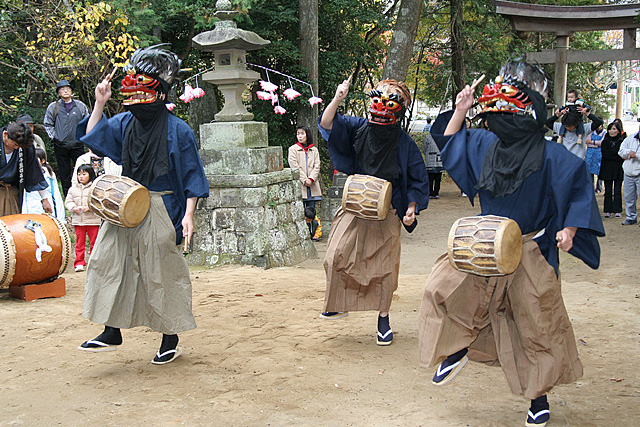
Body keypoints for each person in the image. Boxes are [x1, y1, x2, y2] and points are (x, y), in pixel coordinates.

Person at [418, 60, 604, 427]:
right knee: (441, 288)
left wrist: (568, 230)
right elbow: (451, 142)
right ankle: (457, 349)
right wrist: (460, 109)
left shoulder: (554, 155)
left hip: (530, 249)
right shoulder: (486, 142)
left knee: (534, 324)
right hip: (483, 243)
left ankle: (538, 398)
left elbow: (577, 188)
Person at [75, 45, 209, 365]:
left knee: (161, 272)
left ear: (160, 92)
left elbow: (192, 175)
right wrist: (100, 101)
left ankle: (169, 336)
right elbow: (93, 135)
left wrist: (188, 216)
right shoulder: (125, 122)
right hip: (126, 202)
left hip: (162, 206)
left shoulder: (179, 130)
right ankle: (111, 329)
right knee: (108, 260)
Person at [317, 77, 429, 345]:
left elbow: (417, 179)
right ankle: (339, 302)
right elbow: (327, 124)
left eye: (389, 103)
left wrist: (411, 208)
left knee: (383, 269)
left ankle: (383, 320)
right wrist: (338, 98)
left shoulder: (405, 144)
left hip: (387, 210)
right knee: (335, 255)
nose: (382, 106)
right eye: (377, 100)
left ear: (400, 110)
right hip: (355, 205)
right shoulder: (359, 128)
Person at [43, 79, 90, 196]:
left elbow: (88, 122)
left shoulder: (80, 106)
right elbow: (48, 123)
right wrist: (55, 137)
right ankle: (68, 196)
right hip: (60, 145)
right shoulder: (53, 107)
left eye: (67, 88)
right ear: (58, 92)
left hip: (77, 145)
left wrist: (84, 138)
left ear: (71, 91)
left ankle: (83, 194)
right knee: (64, 172)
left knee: (82, 171)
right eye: (62, 89)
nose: (65, 91)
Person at [0, 122, 52, 216]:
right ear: (5, 134)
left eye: (19, 146)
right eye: (15, 144)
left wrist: (44, 199)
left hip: (12, 192)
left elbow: (34, 171)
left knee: (12, 225)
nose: (16, 148)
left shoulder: (25, 147)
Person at [65, 164, 101, 272]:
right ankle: (79, 262)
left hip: (93, 220)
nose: (81, 177)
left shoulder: (95, 187)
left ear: (90, 175)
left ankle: (94, 262)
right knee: (79, 243)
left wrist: (89, 208)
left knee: (94, 242)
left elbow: (98, 202)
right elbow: (68, 201)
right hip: (78, 220)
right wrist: (73, 207)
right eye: (79, 174)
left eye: (84, 174)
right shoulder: (73, 189)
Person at [545, 94, 602, 160]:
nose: (569, 128)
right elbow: (547, 122)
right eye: (567, 126)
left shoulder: (584, 128)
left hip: (577, 161)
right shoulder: (560, 127)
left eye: (571, 127)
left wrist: (587, 113)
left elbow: (598, 122)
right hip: (563, 161)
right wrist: (557, 115)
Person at [22, 148, 65, 222]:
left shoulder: (49, 175)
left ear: (43, 160)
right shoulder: (25, 175)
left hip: (47, 210)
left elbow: (56, 196)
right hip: (30, 211)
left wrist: (60, 218)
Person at [288, 126, 321, 209]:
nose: (300, 136)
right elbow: (294, 165)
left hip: (312, 184)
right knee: (300, 211)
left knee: (311, 211)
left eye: (302, 134)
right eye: (298, 134)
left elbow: (317, 165)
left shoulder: (314, 150)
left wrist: (311, 179)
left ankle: (312, 222)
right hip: (300, 184)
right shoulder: (293, 149)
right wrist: (304, 179)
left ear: (307, 135)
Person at [599, 121, 625, 219]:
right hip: (607, 168)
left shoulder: (622, 140)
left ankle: (617, 210)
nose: (611, 131)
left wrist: (615, 155)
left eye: (614, 129)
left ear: (618, 131)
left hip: (618, 168)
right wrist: (615, 154)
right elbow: (605, 154)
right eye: (610, 129)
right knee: (608, 190)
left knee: (617, 190)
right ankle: (608, 210)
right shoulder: (605, 141)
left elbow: (621, 154)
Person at [618, 131, 640, 225]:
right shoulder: (630, 138)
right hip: (628, 172)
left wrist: (637, 155)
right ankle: (630, 217)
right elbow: (621, 151)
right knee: (629, 197)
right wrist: (628, 153)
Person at [585, 123, 605, 193]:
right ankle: (591, 187)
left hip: (599, 153)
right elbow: (587, 141)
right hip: (590, 153)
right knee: (589, 170)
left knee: (599, 170)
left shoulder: (604, 133)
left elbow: (602, 143)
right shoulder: (591, 132)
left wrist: (592, 142)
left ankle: (599, 187)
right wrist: (596, 144)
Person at [423, 132, 443, 199]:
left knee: (438, 178)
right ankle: (430, 192)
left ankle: (436, 192)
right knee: (430, 178)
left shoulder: (442, 137)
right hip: (430, 160)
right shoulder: (428, 138)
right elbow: (424, 148)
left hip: (439, 160)